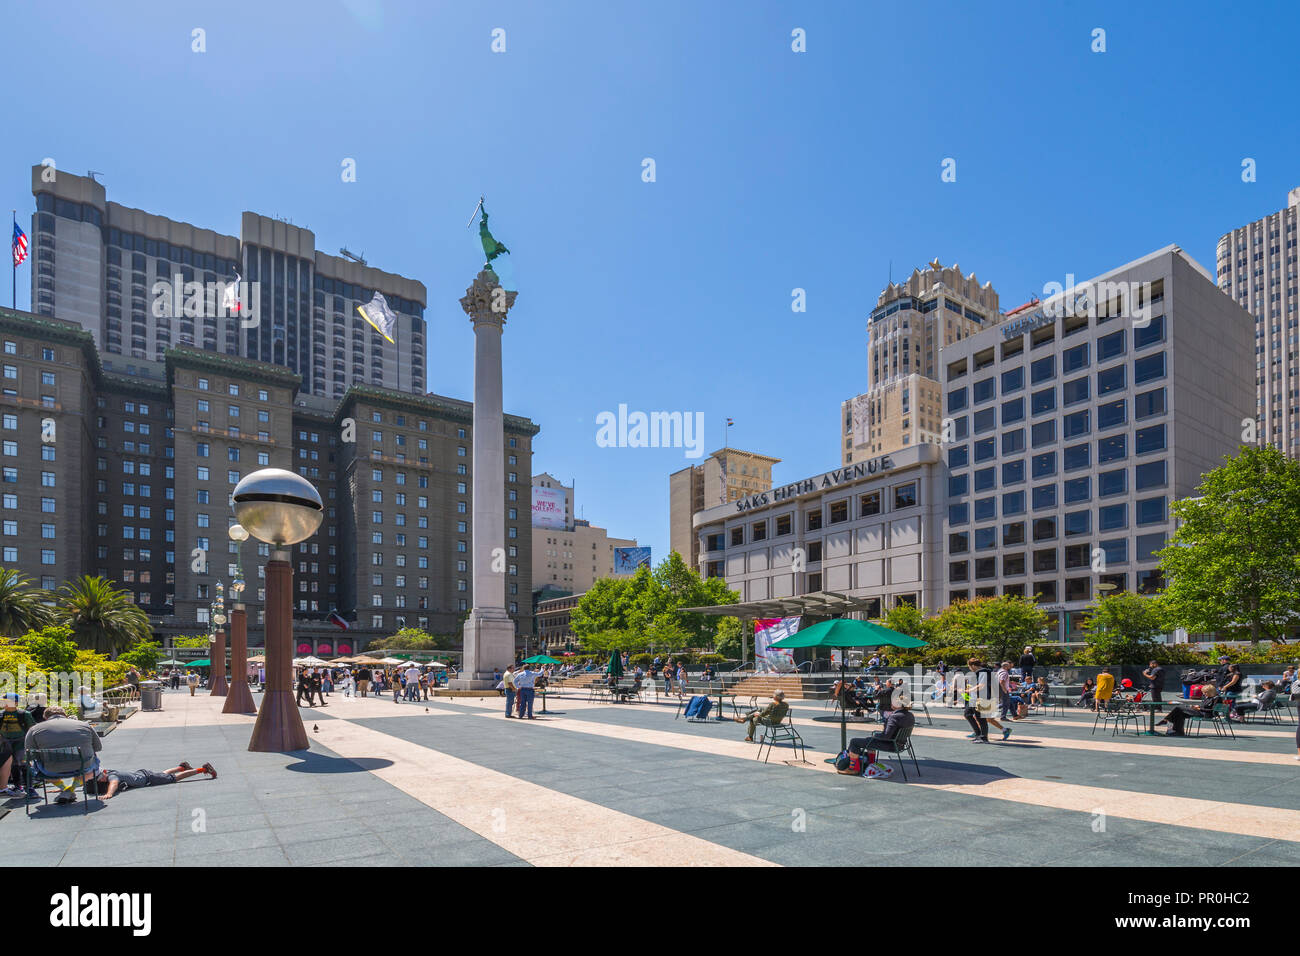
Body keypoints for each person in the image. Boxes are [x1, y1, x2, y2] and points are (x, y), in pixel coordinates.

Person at [24, 707, 102, 803]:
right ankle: (70, 790)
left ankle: (65, 789)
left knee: (35, 766)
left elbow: (29, 754)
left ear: (45, 717)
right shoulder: (84, 725)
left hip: (50, 770)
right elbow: (98, 747)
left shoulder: (34, 729)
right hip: (83, 766)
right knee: (94, 765)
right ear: (65, 715)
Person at [848, 691, 917, 779]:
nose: (891, 703)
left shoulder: (894, 717)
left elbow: (886, 736)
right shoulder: (910, 715)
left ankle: (854, 768)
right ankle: (871, 763)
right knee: (869, 740)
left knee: (854, 741)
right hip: (901, 744)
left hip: (891, 744)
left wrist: (876, 736)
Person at [85, 761, 217, 799]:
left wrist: (109, 794)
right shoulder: (107, 771)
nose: (101, 780)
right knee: (163, 774)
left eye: (99, 778)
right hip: (143, 775)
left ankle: (203, 769)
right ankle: (181, 767)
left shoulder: (111, 776)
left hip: (148, 779)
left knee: (174, 778)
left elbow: (114, 783)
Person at [961, 659, 1011, 742]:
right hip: (977, 697)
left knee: (982, 718)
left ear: (973, 665)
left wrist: (968, 690)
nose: (970, 669)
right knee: (968, 714)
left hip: (984, 697)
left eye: (969, 667)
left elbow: (981, 685)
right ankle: (978, 734)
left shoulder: (983, 672)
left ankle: (983, 737)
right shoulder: (980, 673)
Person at [1, 694, 36, 794]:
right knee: (12, 765)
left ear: (16, 703)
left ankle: (29, 787)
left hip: (21, 743)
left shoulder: (24, 714)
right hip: (5, 743)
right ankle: (17, 786)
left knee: (24, 764)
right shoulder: (1, 714)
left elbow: (32, 729)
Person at [1155, 690, 1221, 737]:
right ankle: (1178, 731)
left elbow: (1212, 710)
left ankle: (1166, 720)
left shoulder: (1216, 698)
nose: (1204, 694)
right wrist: (1197, 707)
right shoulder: (1207, 698)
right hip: (1200, 711)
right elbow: (1204, 706)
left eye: (1205, 692)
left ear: (1210, 691)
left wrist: (1199, 708)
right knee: (1179, 712)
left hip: (1205, 714)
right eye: (1204, 692)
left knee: (1178, 708)